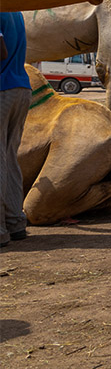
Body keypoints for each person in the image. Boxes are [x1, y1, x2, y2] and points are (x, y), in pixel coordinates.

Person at [1, 12, 31, 247]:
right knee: (10, 157)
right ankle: (15, 222)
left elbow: (1, 51)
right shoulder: (16, 10)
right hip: (21, 86)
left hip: (2, 89)